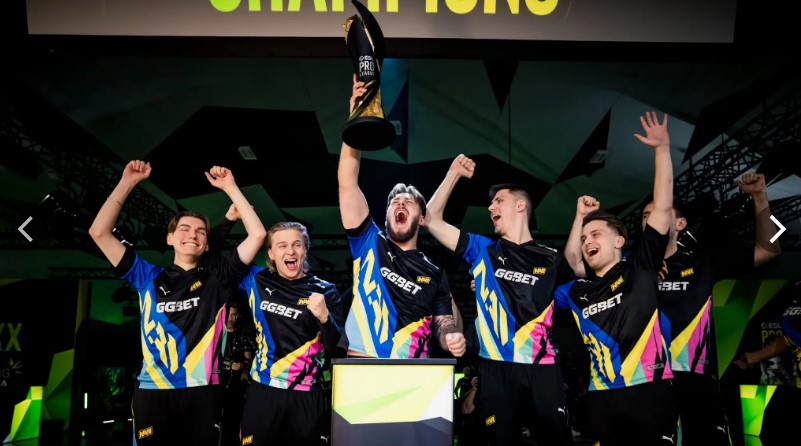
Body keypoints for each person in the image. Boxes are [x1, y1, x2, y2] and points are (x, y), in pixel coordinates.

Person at [88, 161, 267, 446]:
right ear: (170, 238)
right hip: (153, 391)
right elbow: (99, 233)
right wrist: (127, 182)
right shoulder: (146, 276)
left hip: (204, 391)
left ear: (207, 244)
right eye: (184, 229)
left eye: (200, 232)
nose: (192, 235)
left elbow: (257, 235)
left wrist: (230, 187)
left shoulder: (218, 278)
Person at [425, 156, 578, 445]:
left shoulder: (551, 258)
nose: (491, 207)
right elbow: (430, 219)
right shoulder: (482, 250)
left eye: (499, 201)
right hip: (495, 367)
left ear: (520, 206)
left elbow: (587, 279)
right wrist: (453, 174)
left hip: (542, 367)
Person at [555, 112, 678, 446]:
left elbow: (663, 209)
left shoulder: (641, 268)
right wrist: (580, 218)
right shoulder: (575, 291)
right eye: (584, 238)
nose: (587, 241)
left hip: (650, 391)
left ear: (619, 240)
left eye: (596, 234)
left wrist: (662, 150)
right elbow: (570, 262)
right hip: (601, 398)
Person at [643, 172, 781, 446]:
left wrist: (760, 197)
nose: (651, 220)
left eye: (659, 213)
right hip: (645, 382)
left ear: (681, 224)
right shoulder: (630, 268)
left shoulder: (703, 260)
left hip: (696, 381)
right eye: (646, 216)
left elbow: (771, 249)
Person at [337, 77, 466, 359]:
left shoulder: (434, 271)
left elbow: (443, 322)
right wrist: (356, 119)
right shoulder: (369, 243)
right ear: (386, 216)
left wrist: (451, 336)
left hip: (412, 371)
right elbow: (347, 183)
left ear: (421, 220)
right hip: (362, 364)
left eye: (409, 202)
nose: (401, 202)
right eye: (394, 202)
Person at [236, 219, 345, 446]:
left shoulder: (326, 291)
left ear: (305, 250)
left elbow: (337, 350)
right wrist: (232, 212)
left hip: (307, 394)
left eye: (297, 244)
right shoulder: (256, 280)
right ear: (271, 253)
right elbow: (223, 267)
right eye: (282, 245)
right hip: (263, 390)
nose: (290, 251)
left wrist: (325, 318)